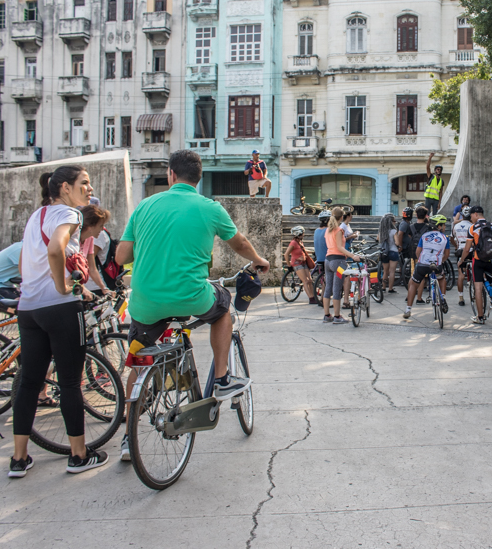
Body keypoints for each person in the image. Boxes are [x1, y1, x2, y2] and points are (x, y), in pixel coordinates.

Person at [115, 150, 270, 459]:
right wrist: (258, 259)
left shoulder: (145, 206)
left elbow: (121, 257)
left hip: (146, 302)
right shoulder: (209, 208)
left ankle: (128, 439)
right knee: (223, 308)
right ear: (198, 178)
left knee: (138, 361)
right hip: (191, 295)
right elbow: (239, 242)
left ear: (171, 175)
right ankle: (222, 378)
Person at [10, 165, 106, 478]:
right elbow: (56, 248)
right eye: (84, 183)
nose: (90, 189)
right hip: (60, 308)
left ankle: (19, 458)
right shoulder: (70, 214)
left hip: (29, 309)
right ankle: (78, 455)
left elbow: (24, 263)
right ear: (65, 187)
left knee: (29, 382)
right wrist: (63, 286)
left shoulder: (36, 216)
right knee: (69, 383)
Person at [403, 215, 450, 319]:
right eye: (444, 225)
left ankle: (408, 309)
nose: (445, 227)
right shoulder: (445, 238)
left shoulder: (424, 236)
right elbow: (446, 255)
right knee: (441, 278)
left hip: (422, 264)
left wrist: (421, 260)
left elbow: (418, 251)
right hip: (436, 265)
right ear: (439, 226)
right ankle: (443, 298)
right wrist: (441, 261)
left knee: (413, 284)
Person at [459, 206, 492, 325]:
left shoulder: (473, 228)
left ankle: (480, 317)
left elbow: (467, 249)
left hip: (478, 260)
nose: (470, 218)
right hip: (491, 260)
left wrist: (461, 260)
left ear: (476, 214)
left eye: (471, 216)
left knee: (478, 288)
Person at [320, 207, 360, 323]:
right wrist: (352, 256)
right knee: (337, 288)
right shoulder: (339, 230)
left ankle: (327, 315)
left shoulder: (328, 230)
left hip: (328, 261)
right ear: (342, 217)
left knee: (328, 288)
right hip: (339, 262)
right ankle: (337, 316)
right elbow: (339, 247)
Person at [80, 205, 114, 298]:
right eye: (100, 225)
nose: (102, 229)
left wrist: (104, 288)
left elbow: (92, 268)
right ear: (90, 226)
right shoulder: (72, 240)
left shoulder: (90, 239)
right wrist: (84, 289)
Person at [285, 226, 317, 305]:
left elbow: (303, 250)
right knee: (305, 281)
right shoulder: (293, 243)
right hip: (297, 264)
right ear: (299, 234)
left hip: (304, 263)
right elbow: (286, 254)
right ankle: (311, 298)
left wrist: (312, 252)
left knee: (310, 280)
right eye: (303, 233)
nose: (304, 235)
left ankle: (314, 296)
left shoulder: (300, 242)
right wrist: (289, 265)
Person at [452, 205, 473, 306]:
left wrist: (456, 245)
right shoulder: (472, 226)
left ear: (462, 215)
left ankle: (461, 298)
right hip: (471, 250)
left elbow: (452, 238)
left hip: (460, 250)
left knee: (461, 275)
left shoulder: (456, 226)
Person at [377, 213, 399, 293]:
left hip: (384, 252)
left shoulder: (382, 231)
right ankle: (390, 288)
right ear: (391, 222)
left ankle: (383, 287)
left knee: (385, 271)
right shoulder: (393, 231)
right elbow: (397, 242)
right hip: (393, 251)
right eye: (394, 221)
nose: (395, 222)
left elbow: (378, 239)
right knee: (392, 271)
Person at [313, 210, 330, 301]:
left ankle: (322, 296)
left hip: (319, 258)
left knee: (325, 278)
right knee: (342, 273)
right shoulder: (328, 230)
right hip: (328, 258)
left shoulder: (316, 230)